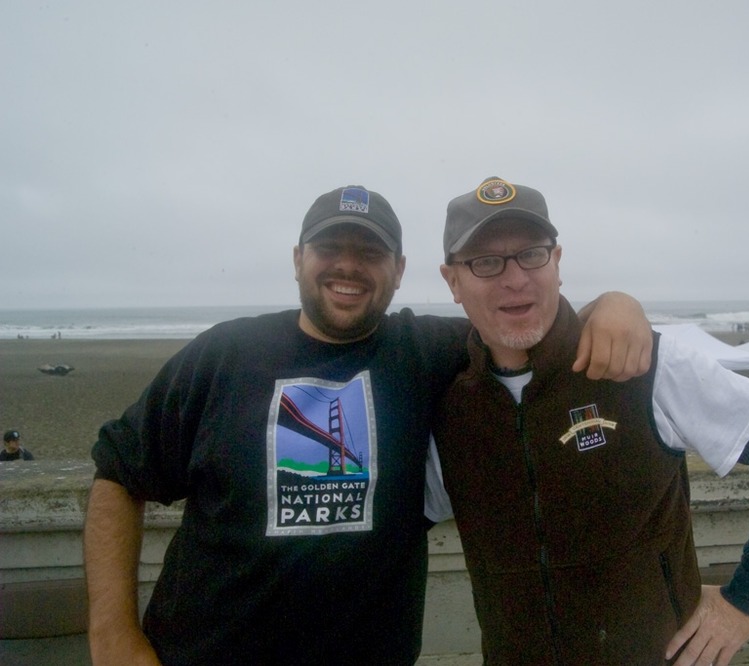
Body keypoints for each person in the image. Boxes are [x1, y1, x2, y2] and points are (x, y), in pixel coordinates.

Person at [83, 184, 653, 666]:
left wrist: (615, 304)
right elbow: (119, 473)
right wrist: (113, 636)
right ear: (298, 258)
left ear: (400, 271)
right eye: (330, 246)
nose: (348, 265)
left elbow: (522, 323)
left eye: (371, 252)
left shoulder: (427, 352)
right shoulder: (225, 355)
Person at [428, 177, 749, 666]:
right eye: (486, 263)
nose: (515, 279)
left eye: (532, 254)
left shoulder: (642, 365)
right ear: (452, 282)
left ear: (557, 262)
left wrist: (747, 601)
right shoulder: (448, 405)